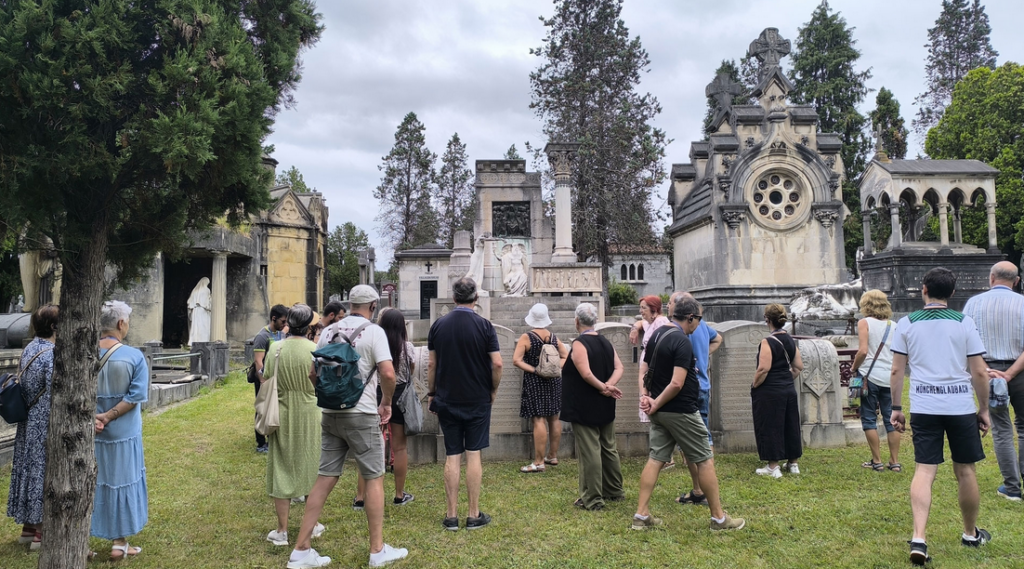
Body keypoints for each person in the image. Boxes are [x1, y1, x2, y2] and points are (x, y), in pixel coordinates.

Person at [287, 285, 407, 569]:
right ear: (373, 306)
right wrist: (386, 402)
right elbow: (388, 372)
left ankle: (301, 549)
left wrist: (329, 396)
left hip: (330, 414)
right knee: (374, 477)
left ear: (349, 304)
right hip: (362, 413)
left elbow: (313, 372)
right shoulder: (374, 331)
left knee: (325, 476)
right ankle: (377, 550)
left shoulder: (328, 331)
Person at [889, 267, 993, 565]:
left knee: (924, 470)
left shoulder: (906, 323)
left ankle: (919, 537)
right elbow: (979, 371)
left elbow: (897, 370)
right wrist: (983, 408)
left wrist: (897, 408)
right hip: (959, 406)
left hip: (924, 406)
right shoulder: (964, 322)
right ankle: (971, 533)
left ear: (923, 289)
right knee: (966, 471)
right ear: (952, 292)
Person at [633, 298, 744, 531]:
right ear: (691, 318)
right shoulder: (682, 341)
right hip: (681, 410)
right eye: (698, 320)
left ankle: (641, 515)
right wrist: (654, 403)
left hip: (660, 411)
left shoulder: (656, 334)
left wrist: (647, 396)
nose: (698, 326)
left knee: (655, 459)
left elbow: (645, 368)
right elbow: (676, 384)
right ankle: (719, 519)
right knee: (704, 459)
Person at [427, 277, 502, 531]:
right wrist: (492, 390)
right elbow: (498, 363)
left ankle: (451, 515)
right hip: (477, 397)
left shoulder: (438, 325)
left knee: (452, 454)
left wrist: (431, 392)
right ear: (476, 298)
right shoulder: (485, 326)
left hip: (447, 398)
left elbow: (432, 364)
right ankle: (473, 514)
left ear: (454, 297)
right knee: (473, 454)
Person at [92, 301, 150, 560]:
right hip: (124, 432)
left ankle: (83, 540)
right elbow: (136, 395)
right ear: (120, 324)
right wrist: (109, 415)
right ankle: (119, 542)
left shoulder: (87, 353)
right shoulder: (133, 356)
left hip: (90, 430)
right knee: (122, 481)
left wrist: (94, 416)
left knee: (91, 483)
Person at [264, 304, 325, 547]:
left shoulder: (275, 349)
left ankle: (282, 530)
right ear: (309, 325)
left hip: (282, 410)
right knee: (313, 464)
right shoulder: (315, 349)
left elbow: (267, 377)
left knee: (282, 465)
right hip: (311, 409)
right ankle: (314, 524)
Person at [963, 261, 1024, 501]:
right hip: (1020, 370)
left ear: (991, 278)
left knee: (1001, 429)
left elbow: (966, 343)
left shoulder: (973, 304)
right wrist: (1010, 373)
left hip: (986, 372)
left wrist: (984, 370)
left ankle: (1012, 486)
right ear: (1016, 281)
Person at [560, 303, 625, 510]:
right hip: (605, 402)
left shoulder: (580, 344)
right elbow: (619, 367)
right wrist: (609, 386)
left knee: (590, 451)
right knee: (608, 447)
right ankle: (614, 489)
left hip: (585, 404)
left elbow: (586, 373)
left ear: (576, 321)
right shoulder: (605, 342)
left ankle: (593, 498)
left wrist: (602, 387)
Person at [6, 304, 57, 550]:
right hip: (42, 419)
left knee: (28, 468)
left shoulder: (30, 348)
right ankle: (40, 532)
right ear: (56, 326)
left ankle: (27, 527)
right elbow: (53, 391)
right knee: (41, 471)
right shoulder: (52, 352)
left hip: (27, 416)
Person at [354, 307, 416, 508]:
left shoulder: (375, 344)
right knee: (399, 447)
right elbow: (411, 371)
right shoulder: (407, 347)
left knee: (368, 448)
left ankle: (360, 497)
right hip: (399, 398)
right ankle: (399, 495)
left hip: (375, 395)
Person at [671, 292, 722, 505]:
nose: (670, 308)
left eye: (672, 304)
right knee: (704, 434)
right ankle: (703, 481)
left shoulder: (683, 329)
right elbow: (718, 338)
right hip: (703, 384)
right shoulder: (703, 325)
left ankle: (700, 487)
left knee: (694, 439)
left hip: (690, 386)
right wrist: (704, 355)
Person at [513, 303, 569, 473]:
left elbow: (517, 360)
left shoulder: (526, 337)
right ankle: (552, 455)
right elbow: (566, 355)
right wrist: (554, 368)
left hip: (535, 381)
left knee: (538, 419)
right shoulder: (553, 337)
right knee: (554, 418)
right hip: (554, 381)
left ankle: (538, 462)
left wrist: (537, 370)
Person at [751, 303, 804, 478]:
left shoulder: (768, 341)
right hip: (788, 388)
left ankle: (773, 466)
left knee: (771, 425)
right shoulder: (790, 339)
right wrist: (786, 380)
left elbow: (763, 369)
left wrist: (755, 384)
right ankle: (793, 463)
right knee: (790, 424)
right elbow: (798, 367)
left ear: (767, 320)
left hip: (770, 390)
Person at [852, 290, 901, 472]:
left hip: (869, 376)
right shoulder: (894, 325)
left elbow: (863, 351)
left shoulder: (864, 323)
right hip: (890, 377)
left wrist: (853, 367)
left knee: (869, 418)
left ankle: (877, 460)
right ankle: (894, 461)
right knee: (891, 419)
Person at [632, 296, 671, 456]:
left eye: (644, 308)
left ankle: (666, 456)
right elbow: (642, 323)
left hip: (656, 374)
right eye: (640, 307)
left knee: (658, 412)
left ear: (654, 309)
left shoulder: (662, 323)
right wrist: (635, 327)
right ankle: (663, 453)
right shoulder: (650, 322)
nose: (641, 311)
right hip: (647, 372)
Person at [252, 304, 288, 453]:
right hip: (264, 378)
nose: (285, 325)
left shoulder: (281, 334)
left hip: (278, 378)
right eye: (282, 321)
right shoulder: (262, 336)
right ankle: (261, 443)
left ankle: (273, 438)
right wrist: (262, 379)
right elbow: (258, 361)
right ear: (274, 319)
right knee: (262, 409)